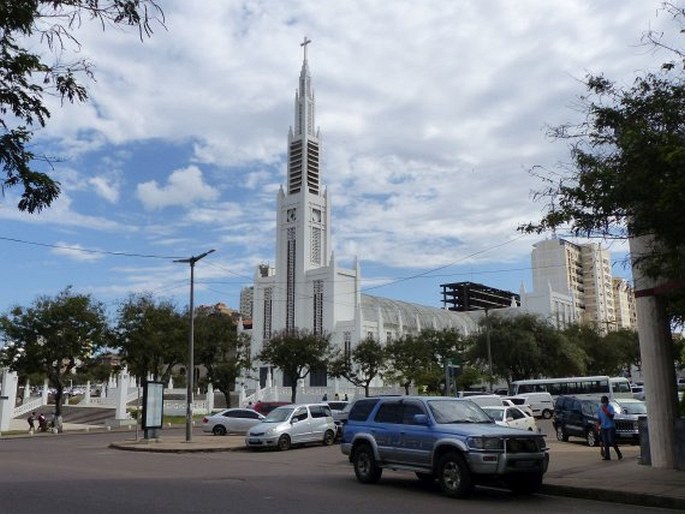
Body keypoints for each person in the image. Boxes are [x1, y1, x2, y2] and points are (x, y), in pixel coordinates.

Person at [597, 395, 622, 460]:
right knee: (605, 441)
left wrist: (606, 411)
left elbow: (611, 416)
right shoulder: (599, 408)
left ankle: (619, 453)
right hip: (603, 426)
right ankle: (607, 456)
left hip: (610, 426)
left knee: (611, 441)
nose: (603, 404)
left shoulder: (610, 407)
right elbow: (599, 418)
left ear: (607, 402)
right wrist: (598, 425)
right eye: (602, 402)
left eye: (604, 402)